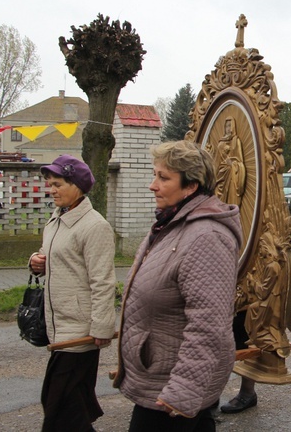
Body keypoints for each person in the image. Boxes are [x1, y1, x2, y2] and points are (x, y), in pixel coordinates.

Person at [112, 140, 243, 430]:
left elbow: (209, 324)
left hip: (174, 388)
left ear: (191, 187)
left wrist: (183, 389)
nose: (152, 185)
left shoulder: (206, 236)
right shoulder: (170, 224)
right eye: (155, 174)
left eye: (163, 177)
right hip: (161, 377)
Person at [28, 155, 117, 431]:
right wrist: (36, 262)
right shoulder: (56, 220)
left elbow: (103, 281)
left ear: (76, 184)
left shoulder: (94, 226)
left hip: (81, 330)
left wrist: (102, 327)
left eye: (57, 184)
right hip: (59, 325)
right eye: (49, 184)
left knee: (59, 405)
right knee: (70, 403)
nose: (51, 189)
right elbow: (53, 258)